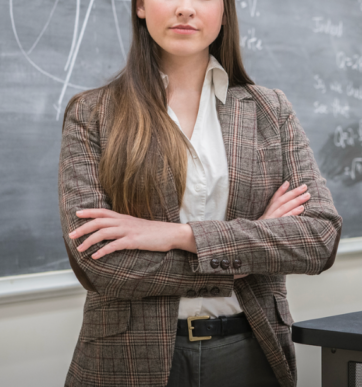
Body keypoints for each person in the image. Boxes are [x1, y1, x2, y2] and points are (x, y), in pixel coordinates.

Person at [58, 0, 342, 385]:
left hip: (251, 348)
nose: (186, 9)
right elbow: (99, 264)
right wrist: (245, 255)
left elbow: (318, 238)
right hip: (127, 357)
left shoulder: (270, 111)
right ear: (140, 6)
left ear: (225, 10)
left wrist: (179, 236)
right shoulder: (93, 113)